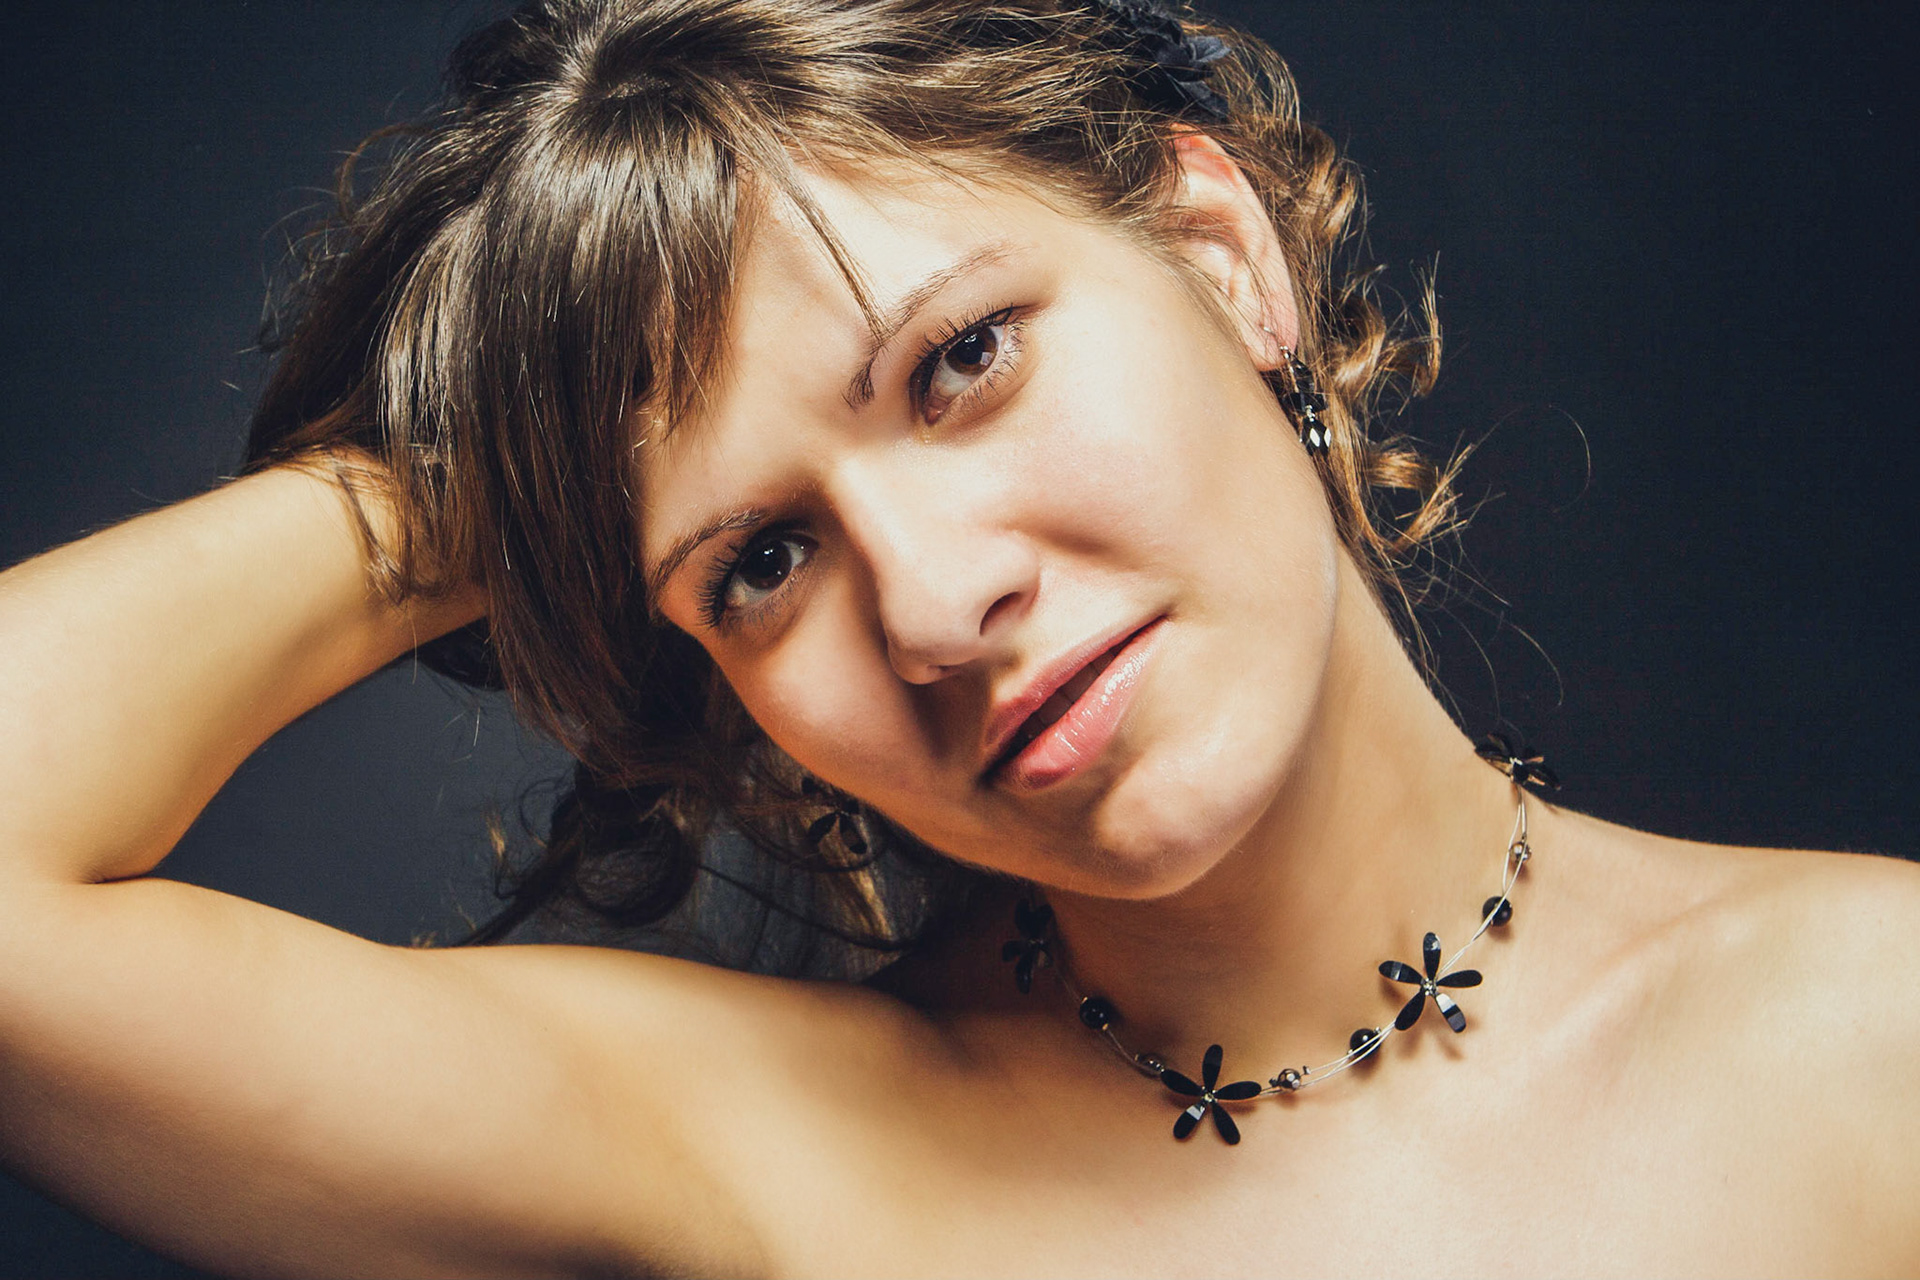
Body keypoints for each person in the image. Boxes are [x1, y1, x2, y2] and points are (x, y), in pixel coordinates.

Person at [1, 0, 1915, 1275]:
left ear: (1219, 255)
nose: (933, 607)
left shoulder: (1871, 1031)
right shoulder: (763, 1157)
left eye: (962, 361)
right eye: (760, 560)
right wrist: (480, 469)